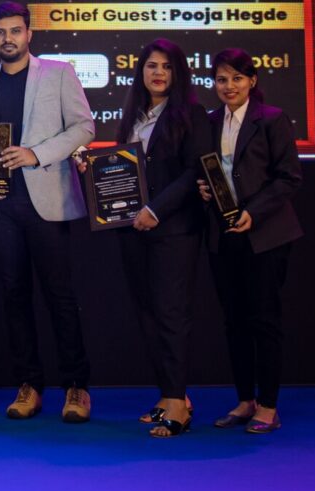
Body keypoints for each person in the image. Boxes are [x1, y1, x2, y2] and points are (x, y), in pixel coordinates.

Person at [0, 2, 95, 423]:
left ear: (28, 34)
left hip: (47, 201)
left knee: (60, 297)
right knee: (14, 297)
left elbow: (84, 127)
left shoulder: (59, 73)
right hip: (0, 205)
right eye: (0, 32)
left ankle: (76, 386)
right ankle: (29, 385)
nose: (8, 38)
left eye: (15, 31)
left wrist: (36, 153)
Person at [108, 38, 211, 437]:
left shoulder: (192, 114)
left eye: (166, 67)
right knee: (147, 313)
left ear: (178, 73)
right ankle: (168, 397)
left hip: (174, 230)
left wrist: (156, 210)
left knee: (171, 314)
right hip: (133, 230)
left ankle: (177, 402)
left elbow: (194, 172)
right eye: (151, 66)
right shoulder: (133, 115)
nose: (158, 73)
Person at [199, 48, 303, 434]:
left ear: (252, 81)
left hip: (266, 235)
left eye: (237, 78)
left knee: (264, 321)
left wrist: (254, 212)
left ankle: (269, 406)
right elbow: (207, 172)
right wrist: (202, 190)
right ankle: (245, 401)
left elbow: (289, 178)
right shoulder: (210, 121)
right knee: (234, 322)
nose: (229, 86)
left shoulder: (272, 119)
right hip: (223, 235)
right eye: (222, 79)